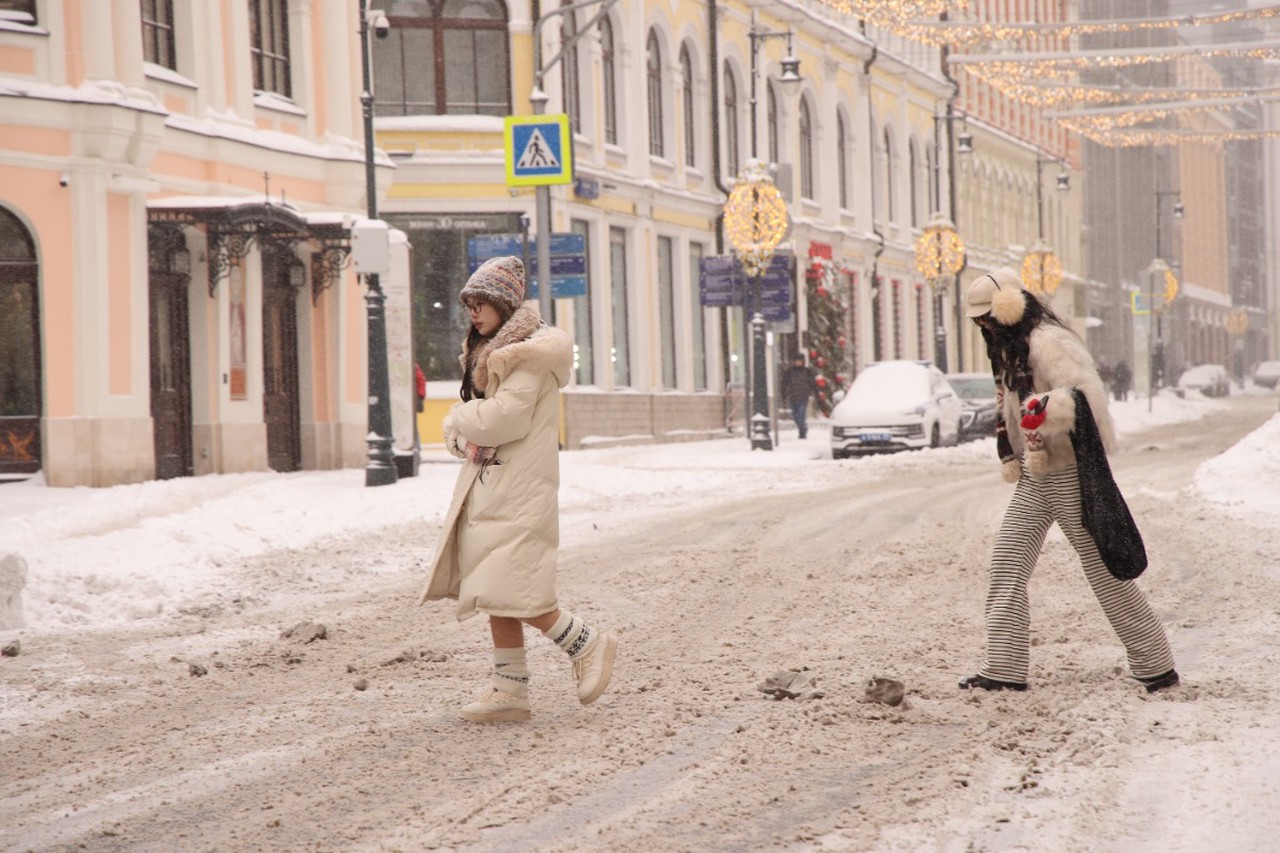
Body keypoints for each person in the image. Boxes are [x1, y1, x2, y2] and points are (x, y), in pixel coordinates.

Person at [958, 267, 1178, 694]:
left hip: (1070, 472)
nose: (984, 326)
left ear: (1009, 310)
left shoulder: (1049, 343)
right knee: (1007, 563)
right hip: (1034, 474)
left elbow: (1086, 397)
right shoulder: (1010, 354)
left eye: (988, 317)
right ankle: (1003, 669)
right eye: (979, 320)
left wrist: (1045, 406)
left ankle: (1155, 663)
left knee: (1104, 570)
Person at [420, 255, 618, 723]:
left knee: (516, 587)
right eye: (468, 303)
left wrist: (456, 418)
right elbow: (485, 425)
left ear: (505, 304)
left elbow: (504, 419)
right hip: (496, 485)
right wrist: (463, 428)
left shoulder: (525, 356)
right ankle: (510, 692)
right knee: (496, 590)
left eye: (481, 302)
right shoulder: (497, 354)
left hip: (519, 488)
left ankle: (587, 643)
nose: (473, 312)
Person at [782, 354, 818, 439]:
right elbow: (784, 383)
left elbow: (812, 383)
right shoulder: (790, 372)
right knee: (795, 415)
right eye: (796, 361)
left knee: (801, 414)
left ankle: (803, 431)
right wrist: (784, 393)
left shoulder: (807, 371)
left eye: (799, 361)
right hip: (793, 396)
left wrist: (814, 392)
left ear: (803, 362)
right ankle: (802, 428)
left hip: (803, 396)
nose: (798, 363)